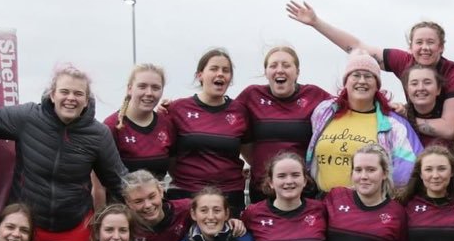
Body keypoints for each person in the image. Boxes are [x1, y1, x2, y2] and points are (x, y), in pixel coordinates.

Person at [0, 63, 129, 241]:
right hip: (27, 224)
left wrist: (149, 203)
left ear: (86, 100)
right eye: (64, 91)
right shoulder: (28, 117)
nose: (71, 98)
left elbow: (118, 180)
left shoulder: (99, 134)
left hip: (73, 225)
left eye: (78, 93)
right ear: (52, 94)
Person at [285, 2, 454, 147]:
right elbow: (357, 48)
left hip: (445, 145)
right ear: (410, 46)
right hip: (413, 137)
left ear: (441, 47)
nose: (424, 48)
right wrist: (316, 22)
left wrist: (406, 117)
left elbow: (448, 129)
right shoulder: (404, 61)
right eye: (419, 42)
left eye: (431, 42)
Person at [307, 51, 422, 190]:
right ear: (346, 82)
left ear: (377, 85)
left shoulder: (394, 124)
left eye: (368, 76)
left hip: (368, 206)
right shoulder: (324, 111)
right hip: (323, 203)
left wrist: (384, 198)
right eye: (355, 75)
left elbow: (410, 168)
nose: (362, 81)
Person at [237, 46, 335, 203]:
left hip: (303, 189)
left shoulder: (314, 95)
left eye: (286, 65)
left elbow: (348, 104)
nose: (280, 70)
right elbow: (229, 120)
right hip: (263, 188)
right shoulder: (251, 95)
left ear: (297, 72)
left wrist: (385, 105)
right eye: (273, 65)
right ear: (266, 72)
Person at [168, 48, 250, 210]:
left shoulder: (240, 111)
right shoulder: (177, 108)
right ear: (200, 75)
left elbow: (250, 152)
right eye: (214, 69)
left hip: (229, 196)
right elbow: (168, 154)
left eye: (225, 70)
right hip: (186, 195)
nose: (220, 74)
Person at [105, 64, 174, 179]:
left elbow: (175, 169)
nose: (149, 93)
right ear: (130, 89)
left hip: (159, 196)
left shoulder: (166, 124)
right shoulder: (112, 126)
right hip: (121, 197)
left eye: (155, 88)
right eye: (142, 87)